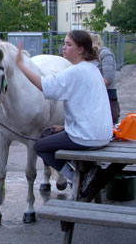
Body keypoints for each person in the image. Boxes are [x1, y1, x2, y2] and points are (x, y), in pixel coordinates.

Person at [15, 30, 113, 193]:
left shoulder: (74, 72)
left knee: (40, 146)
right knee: (52, 135)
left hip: (87, 138)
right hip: (103, 134)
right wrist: (64, 127)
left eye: (69, 45)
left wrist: (20, 65)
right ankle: (85, 174)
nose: (64, 48)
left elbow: (42, 85)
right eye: (64, 44)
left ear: (81, 49)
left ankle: (74, 178)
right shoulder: (92, 69)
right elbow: (86, 108)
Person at [90, 33, 120, 124]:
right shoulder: (88, 57)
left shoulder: (105, 54)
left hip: (107, 95)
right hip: (93, 96)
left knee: (110, 121)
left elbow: (108, 78)